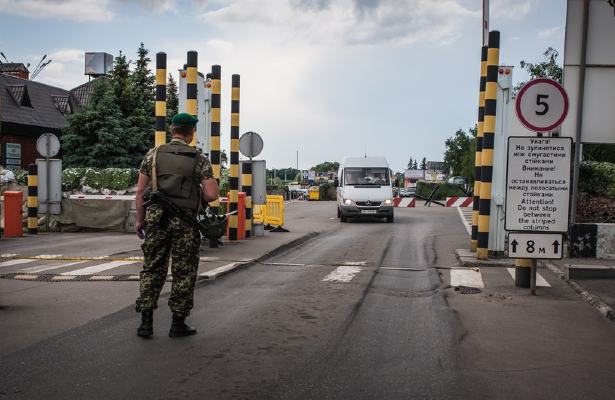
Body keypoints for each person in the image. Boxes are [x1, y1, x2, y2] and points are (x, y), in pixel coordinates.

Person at [135, 113, 219, 338]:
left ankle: (145, 323)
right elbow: (211, 194)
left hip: (156, 219)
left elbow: (140, 192)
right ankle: (177, 324)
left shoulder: (153, 155)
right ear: (191, 133)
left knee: (152, 268)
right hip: (185, 222)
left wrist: (139, 220)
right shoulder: (198, 158)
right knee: (184, 271)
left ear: (172, 130)